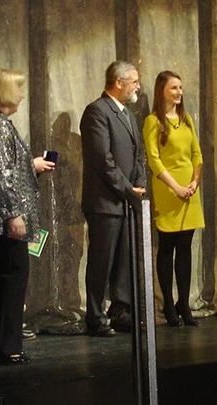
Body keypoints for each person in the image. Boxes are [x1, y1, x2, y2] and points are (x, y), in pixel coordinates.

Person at [0, 68, 55, 364]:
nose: (21, 94)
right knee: (10, 278)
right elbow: (0, 176)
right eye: (17, 89)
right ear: (4, 93)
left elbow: (5, 168)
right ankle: (6, 347)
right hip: (2, 217)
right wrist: (13, 215)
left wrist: (31, 165)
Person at [80, 61, 146, 336]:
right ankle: (95, 317)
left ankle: (120, 311)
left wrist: (139, 182)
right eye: (134, 81)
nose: (138, 87)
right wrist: (127, 189)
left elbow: (138, 153)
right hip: (105, 203)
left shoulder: (127, 114)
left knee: (124, 261)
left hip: (127, 200)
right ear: (118, 82)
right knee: (101, 261)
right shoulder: (97, 111)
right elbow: (102, 159)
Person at [143, 71, 205, 327]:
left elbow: (197, 154)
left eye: (180, 88)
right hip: (168, 190)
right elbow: (154, 159)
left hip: (189, 191)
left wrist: (193, 183)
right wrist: (175, 187)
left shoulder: (187, 119)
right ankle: (168, 303)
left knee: (185, 249)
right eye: (173, 88)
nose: (179, 92)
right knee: (167, 248)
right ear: (162, 91)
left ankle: (184, 303)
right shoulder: (152, 121)